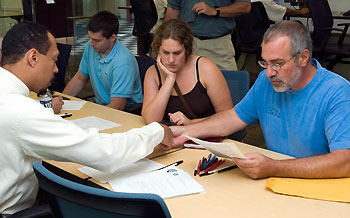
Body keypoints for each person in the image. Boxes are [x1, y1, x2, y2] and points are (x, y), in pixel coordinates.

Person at [0, 22, 174, 216]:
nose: (56, 69)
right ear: (33, 58)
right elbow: (104, 153)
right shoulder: (22, 112)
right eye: (54, 60)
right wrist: (156, 132)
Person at [170, 21, 350, 179]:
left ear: (303, 58)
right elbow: (233, 118)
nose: (269, 72)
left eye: (277, 63)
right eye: (265, 62)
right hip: (276, 181)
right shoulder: (267, 80)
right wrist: (184, 132)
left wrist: (274, 167)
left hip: (320, 186)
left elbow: (344, 161)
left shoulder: (336, 92)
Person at [142, 19, 233, 126]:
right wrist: (169, 80)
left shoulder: (205, 68)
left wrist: (191, 123)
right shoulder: (153, 73)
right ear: (158, 51)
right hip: (172, 137)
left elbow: (228, 117)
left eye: (177, 53)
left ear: (187, 50)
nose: (171, 60)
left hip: (206, 135)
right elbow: (151, 120)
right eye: (166, 53)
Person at [63, 11, 143, 111]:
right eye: (90, 38)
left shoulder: (123, 61)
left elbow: (117, 106)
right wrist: (62, 100)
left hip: (127, 112)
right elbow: (79, 78)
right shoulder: (91, 47)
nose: (91, 43)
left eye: (96, 40)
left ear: (112, 38)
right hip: (101, 106)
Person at [165, 0, 251, 71]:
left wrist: (216, 11)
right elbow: (173, 10)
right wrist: (164, 42)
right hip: (185, 44)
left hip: (218, 45)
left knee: (228, 85)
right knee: (182, 87)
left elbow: (245, 6)